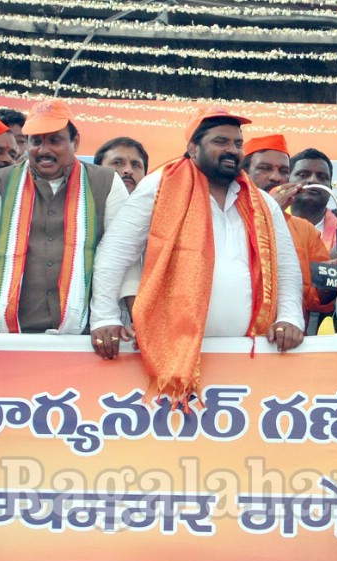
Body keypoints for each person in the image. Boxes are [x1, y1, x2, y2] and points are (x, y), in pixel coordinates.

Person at [90, 106, 304, 403]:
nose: (232, 150)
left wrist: (291, 316)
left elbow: (287, 265)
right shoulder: (158, 187)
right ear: (193, 148)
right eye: (221, 142)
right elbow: (115, 253)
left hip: (246, 355)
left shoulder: (262, 202)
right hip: (171, 353)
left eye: (237, 144)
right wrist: (104, 317)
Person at [0, 99, 128, 357]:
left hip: (83, 340)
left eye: (55, 140)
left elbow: (119, 258)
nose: (44, 150)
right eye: (36, 141)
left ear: (75, 142)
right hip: (9, 340)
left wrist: (105, 319)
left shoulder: (106, 183)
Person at [244, 134, 335, 328]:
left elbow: (313, 300)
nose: (276, 177)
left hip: (286, 339)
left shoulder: (305, 230)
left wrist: (332, 279)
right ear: (244, 174)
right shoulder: (224, 217)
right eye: (264, 168)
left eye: (283, 170)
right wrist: (267, 213)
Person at [290, 147, 337, 255]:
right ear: (286, 181)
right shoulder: (271, 223)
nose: (313, 180)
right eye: (303, 175)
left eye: (322, 177)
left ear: (330, 188)